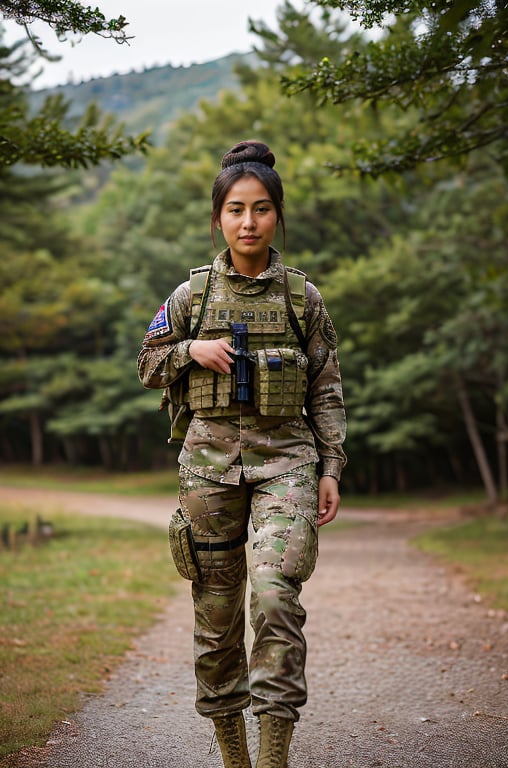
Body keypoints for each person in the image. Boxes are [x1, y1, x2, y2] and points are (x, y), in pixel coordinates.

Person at [137, 140, 347, 768]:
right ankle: (234, 752)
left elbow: (327, 388)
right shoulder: (190, 297)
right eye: (235, 209)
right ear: (218, 218)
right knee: (217, 611)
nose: (248, 222)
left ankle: (275, 752)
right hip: (209, 469)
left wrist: (332, 466)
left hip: (288, 462)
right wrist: (189, 351)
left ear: (277, 214)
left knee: (277, 595)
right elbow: (147, 363)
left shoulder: (302, 298)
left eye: (260, 209)